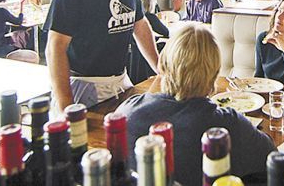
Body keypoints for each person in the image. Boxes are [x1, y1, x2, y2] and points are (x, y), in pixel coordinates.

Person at [116, 23, 274, 186]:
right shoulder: (228, 126)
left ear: (163, 64)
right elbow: (270, 157)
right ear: (214, 75)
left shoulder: (126, 113)